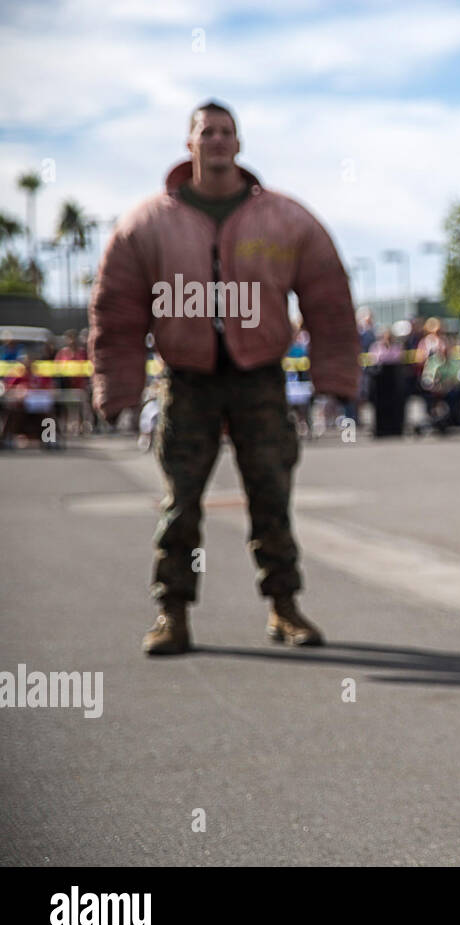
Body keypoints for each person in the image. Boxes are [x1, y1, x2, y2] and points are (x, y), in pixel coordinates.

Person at [89, 100, 360, 655]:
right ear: (189, 143)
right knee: (180, 503)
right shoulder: (148, 223)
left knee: (271, 497)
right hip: (186, 382)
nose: (217, 139)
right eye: (206, 131)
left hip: (259, 380)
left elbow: (329, 299)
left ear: (239, 144)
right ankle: (172, 614)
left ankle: (284, 609)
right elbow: (117, 311)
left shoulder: (285, 219)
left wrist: (335, 379)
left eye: (226, 131)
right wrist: (116, 388)